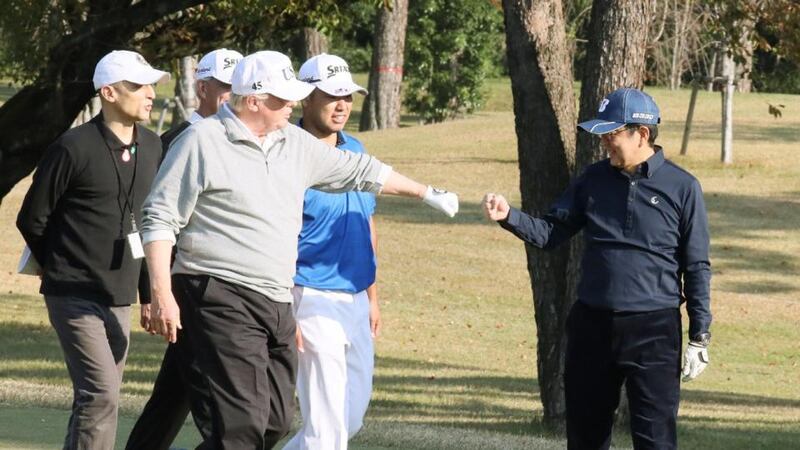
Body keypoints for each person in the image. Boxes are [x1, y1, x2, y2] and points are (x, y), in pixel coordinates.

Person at [140, 50, 459, 449]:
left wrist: (425, 192)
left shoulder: (292, 142)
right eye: (283, 98)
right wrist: (161, 293)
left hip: (274, 299)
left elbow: (361, 172)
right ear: (253, 101)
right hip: (217, 291)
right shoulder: (201, 141)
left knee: (275, 423)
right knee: (241, 428)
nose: (292, 104)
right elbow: (158, 218)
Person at [482, 88, 711, 450]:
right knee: (585, 439)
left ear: (643, 134)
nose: (604, 142)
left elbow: (696, 265)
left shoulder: (683, 188)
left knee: (656, 441)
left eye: (612, 134)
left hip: (654, 331)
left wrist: (700, 335)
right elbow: (550, 233)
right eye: (602, 134)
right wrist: (509, 216)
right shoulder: (592, 180)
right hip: (592, 325)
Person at [16, 50, 169, 449]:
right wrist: (60, 267)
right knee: (101, 395)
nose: (150, 93)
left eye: (151, 84)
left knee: (98, 399)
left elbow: (148, 226)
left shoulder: (153, 147)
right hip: (73, 295)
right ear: (109, 93)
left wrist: (149, 294)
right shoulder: (72, 147)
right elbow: (32, 218)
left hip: (119, 296)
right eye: (138, 86)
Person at [125, 48, 241, 450]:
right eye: (225, 87)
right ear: (202, 88)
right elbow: (148, 222)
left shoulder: (243, 142)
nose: (232, 94)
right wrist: (152, 293)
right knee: (213, 404)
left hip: (221, 290)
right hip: (188, 290)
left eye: (238, 86)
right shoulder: (171, 143)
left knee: (173, 397)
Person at [282, 53, 378, 450]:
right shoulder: (285, 151)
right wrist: (286, 309)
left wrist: (373, 297)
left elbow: (367, 223)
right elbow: (275, 235)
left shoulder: (355, 148)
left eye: (348, 97)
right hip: (310, 295)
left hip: (356, 297)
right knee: (326, 430)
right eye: (331, 96)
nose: (342, 105)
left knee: (348, 418)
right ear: (306, 97)